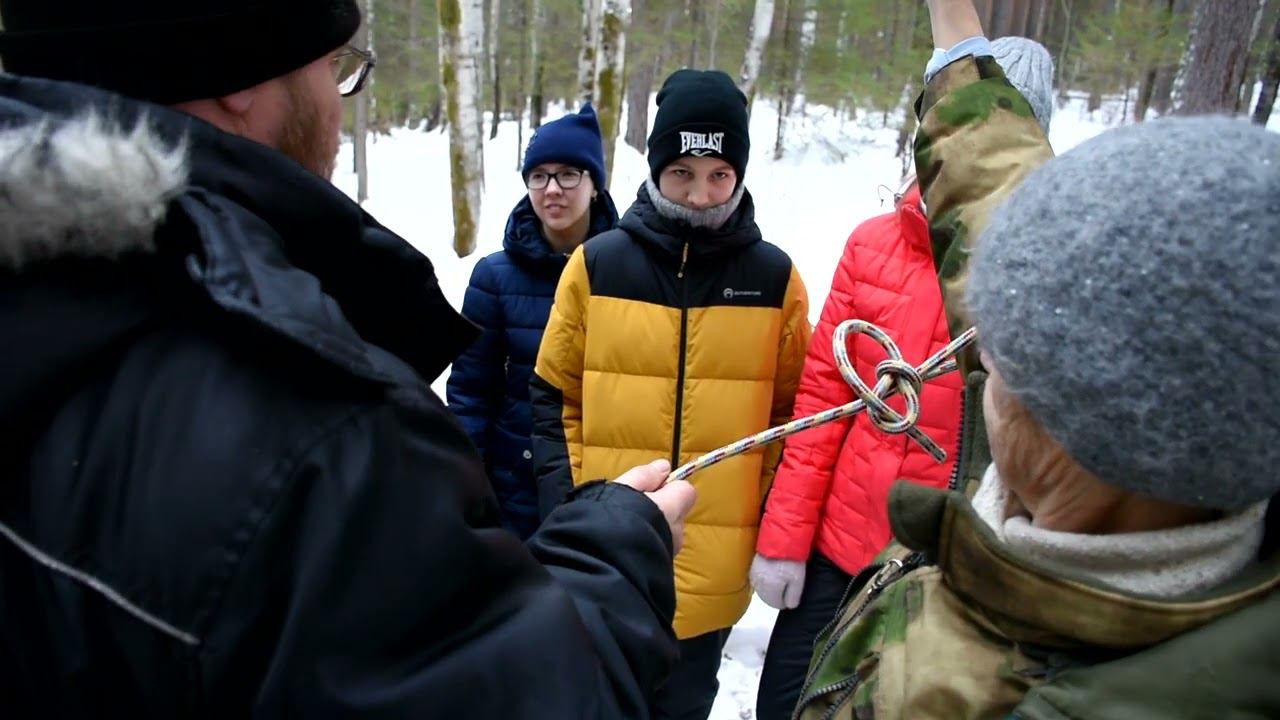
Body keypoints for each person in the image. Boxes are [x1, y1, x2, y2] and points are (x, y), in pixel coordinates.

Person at [0, 0, 696, 716]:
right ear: (244, 73)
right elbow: (532, 694)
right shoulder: (316, 434)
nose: (337, 105)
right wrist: (616, 550)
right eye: (335, 67)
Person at [792, 1, 1280, 718]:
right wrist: (956, 36)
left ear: (1069, 431)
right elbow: (1013, 214)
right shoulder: (1190, 441)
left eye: (1002, 357)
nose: (980, 355)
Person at [749, 36, 1055, 720]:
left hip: (937, 573)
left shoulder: (1042, 273)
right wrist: (785, 542)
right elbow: (824, 400)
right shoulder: (871, 245)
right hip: (833, 554)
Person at [531, 69, 811, 720]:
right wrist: (572, 507)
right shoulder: (598, 264)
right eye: (682, 171)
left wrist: (759, 509)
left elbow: (793, 415)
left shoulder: (775, 279)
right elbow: (553, 398)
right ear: (657, 165)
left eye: (719, 173)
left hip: (715, 568)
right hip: (607, 560)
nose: (700, 193)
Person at [447, 105, 619, 539]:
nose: (552, 189)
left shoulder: (625, 272)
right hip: (515, 491)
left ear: (595, 186)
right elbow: (471, 393)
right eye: (539, 176)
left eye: (568, 175)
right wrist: (468, 490)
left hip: (605, 486)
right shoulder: (494, 277)